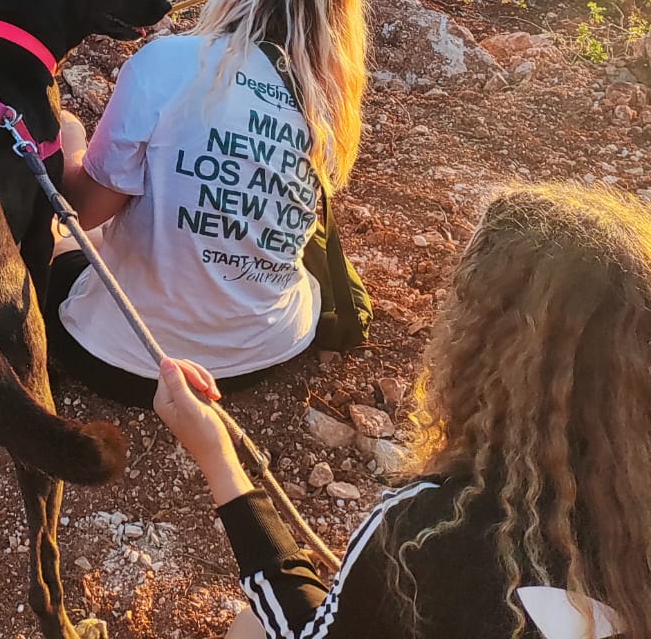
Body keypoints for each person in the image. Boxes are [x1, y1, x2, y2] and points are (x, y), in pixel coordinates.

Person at [153, 181, 650, 639]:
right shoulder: (626, 527)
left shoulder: (428, 533)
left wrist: (219, 461)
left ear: (487, 355)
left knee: (250, 629)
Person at [47, 0, 367, 406]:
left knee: (63, 240)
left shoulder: (167, 61)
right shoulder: (324, 101)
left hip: (129, 360)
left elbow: (84, 211)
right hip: (266, 352)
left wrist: (68, 140)